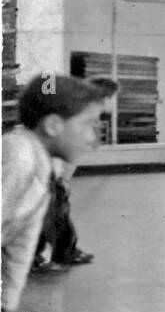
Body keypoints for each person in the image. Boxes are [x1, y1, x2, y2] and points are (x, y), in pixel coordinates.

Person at [2, 75, 104, 312]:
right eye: (88, 124)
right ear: (53, 125)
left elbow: (20, 246)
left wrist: (6, 306)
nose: (93, 140)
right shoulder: (19, 158)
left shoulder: (41, 167)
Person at [31, 77, 119, 274]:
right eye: (111, 98)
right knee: (53, 214)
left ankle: (57, 253)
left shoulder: (83, 114)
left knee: (52, 213)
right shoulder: (76, 115)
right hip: (49, 170)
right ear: (103, 98)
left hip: (52, 171)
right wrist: (60, 178)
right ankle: (54, 254)